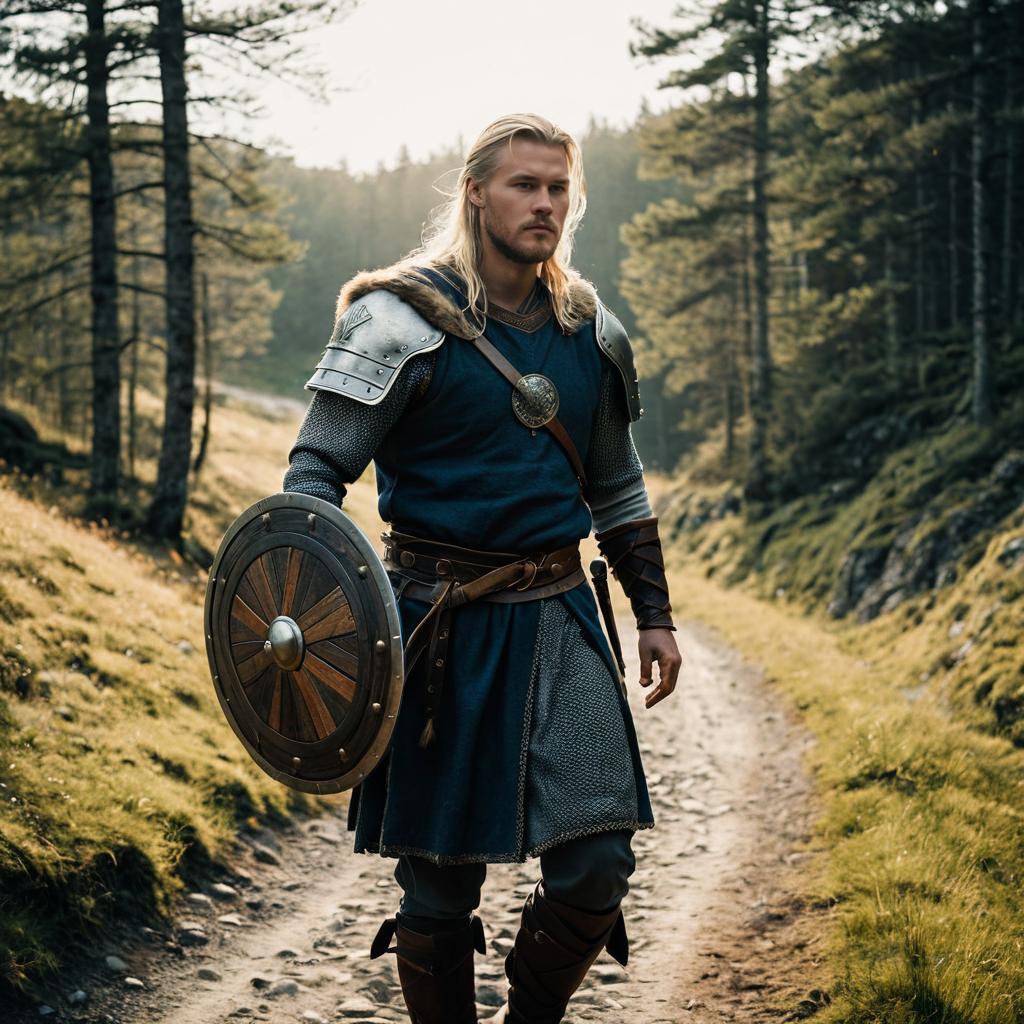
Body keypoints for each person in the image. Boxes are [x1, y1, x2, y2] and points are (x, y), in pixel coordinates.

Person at [283, 113, 682, 1024]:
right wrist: (314, 621)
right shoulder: (398, 321)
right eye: (524, 185)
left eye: (557, 188)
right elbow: (313, 473)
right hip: (432, 624)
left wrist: (653, 611)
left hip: (557, 615)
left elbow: (618, 490)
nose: (545, 204)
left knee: (598, 861)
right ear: (476, 193)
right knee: (438, 885)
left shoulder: (590, 332)